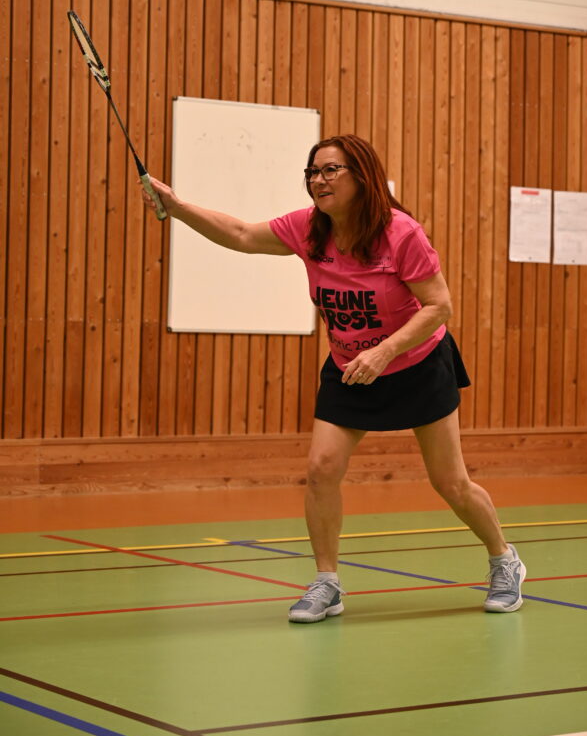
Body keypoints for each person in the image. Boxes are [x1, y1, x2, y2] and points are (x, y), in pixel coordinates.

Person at [141, 134, 526, 623]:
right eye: (312, 172)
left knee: (450, 482)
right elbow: (240, 234)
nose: (318, 181)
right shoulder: (309, 229)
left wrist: (384, 351)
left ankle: (504, 559)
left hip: (417, 364)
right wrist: (176, 207)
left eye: (330, 170)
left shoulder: (400, 233)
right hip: (350, 368)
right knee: (322, 469)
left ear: (361, 176)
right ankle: (327, 582)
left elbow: (439, 306)